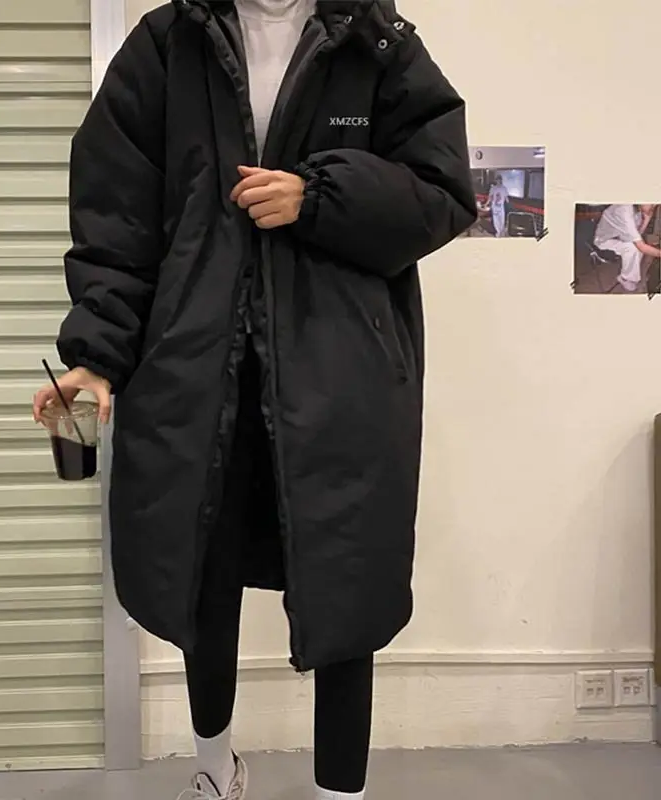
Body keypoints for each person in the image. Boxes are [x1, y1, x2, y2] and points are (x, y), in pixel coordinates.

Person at [32, 1, 475, 798]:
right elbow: (117, 218)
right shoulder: (168, 44)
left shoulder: (376, 42)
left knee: (346, 590)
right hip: (196, 374)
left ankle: (340, 792)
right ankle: (214, 773)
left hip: (342, 378)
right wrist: (95, 359)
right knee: (203, 579)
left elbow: (441, 189)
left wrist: (320, 195)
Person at [594, 204, 660, 292]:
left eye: (655, 205)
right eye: (651, 204)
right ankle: (625, 278)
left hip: (619, 238)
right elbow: (641, 246)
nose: (653, 208)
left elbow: (638, 235)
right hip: (604, 240)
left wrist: (646, 219)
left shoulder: (637, 210)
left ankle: (630, 275)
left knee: (635, 245)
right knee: (633, 248)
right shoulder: (624, 210)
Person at [485, 173, 509, 237]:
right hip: (495, 207)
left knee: (501, 220)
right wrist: (486, 204)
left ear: (501, 180)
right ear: (496, 180)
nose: (498, 181)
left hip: (501, 207)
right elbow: (490, 198)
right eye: (497, 179)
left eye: (499, 179)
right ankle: (498, 233)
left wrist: (508, 203)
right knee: (496, 221)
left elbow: (506, 198)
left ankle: (501, 232)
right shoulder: (493, 188)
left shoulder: (504, 188)